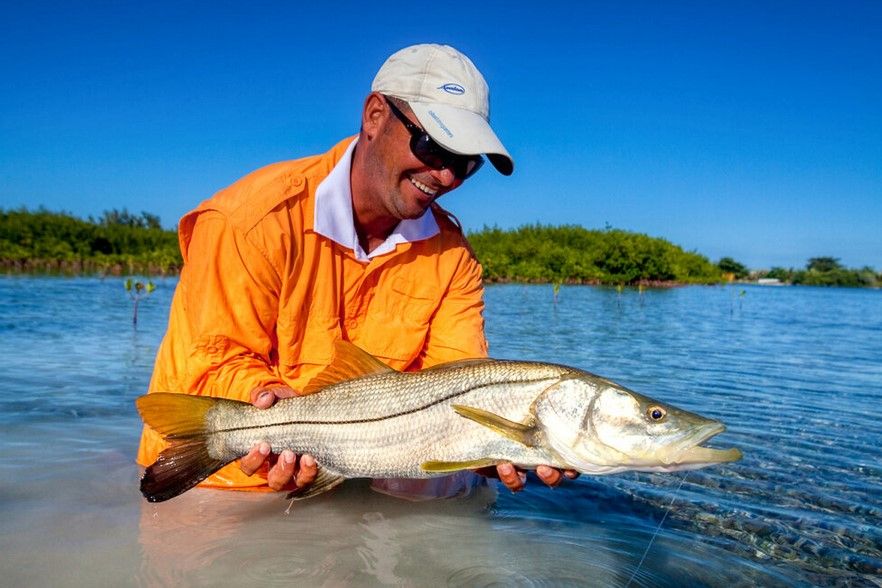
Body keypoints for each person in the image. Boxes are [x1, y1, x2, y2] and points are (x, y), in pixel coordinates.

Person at [137, 43, 576, 498]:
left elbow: (457, 381)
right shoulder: (250, 220)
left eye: (465, 163)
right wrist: (268, 399)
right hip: (221, 480)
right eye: (432, 145)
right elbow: (208, 362)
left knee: (456, 490)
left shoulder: (454, 258)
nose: (445, 177)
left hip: (355, 470)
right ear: (374, 116)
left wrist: (491, 449)